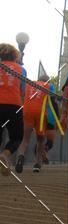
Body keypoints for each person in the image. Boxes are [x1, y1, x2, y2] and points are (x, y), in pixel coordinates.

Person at [15, 74, 59, 173]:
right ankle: (37, 164)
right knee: (40, 140)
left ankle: (21, 156)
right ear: (47, 81)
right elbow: (53, 102)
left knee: (25, 139)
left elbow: (22, 94)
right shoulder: (48, 86)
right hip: (41, 113)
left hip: (27, 111)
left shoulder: (29, 84)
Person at [0, 43, 26, 176]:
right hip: (13, 106)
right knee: (16, 137)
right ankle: (5, 155)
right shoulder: (21, 69)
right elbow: (23, 91)